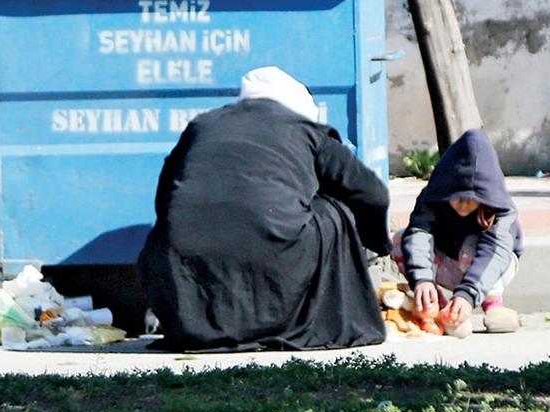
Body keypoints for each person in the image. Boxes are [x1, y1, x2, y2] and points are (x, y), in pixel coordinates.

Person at [136, 66, 391, 352]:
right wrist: (376, 243)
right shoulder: (306, 132)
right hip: (275, 258)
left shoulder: (202, 126)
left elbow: (166, 196)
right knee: (333, 211)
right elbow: (372, 193)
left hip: (181, 272)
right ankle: (315, 321)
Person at [395, 129, 523, 336]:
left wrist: (467, 295)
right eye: (458, 198)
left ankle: (493, 305)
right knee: (401, 240)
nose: (464, 206)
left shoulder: (501, 208)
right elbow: (418, 233)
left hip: (492, 268)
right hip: (449, 262)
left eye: (472, 200)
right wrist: (422, 279)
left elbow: (495, 253)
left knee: (471, 245)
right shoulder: (432, 197)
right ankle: (437, 307)